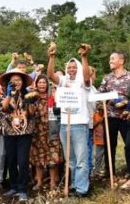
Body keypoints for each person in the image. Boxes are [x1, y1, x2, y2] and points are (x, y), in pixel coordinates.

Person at [46, 42, 95, 197]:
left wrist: (84, 57)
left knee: (81, 159)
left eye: (74, 67)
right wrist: (52, 58)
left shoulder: (83, 81)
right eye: (69, 67)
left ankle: (82, 189)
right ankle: (73, 184)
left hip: (80, 124)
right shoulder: (64, 81)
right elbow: (50, 76)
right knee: (71, 160)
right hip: (64, 125)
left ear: (79, 68)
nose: (71, 69)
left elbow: (87, 77)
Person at [0, 69, 37, 202]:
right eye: (13, 80)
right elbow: (4, 108)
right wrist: (9, 95)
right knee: (11, 160)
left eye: (19, 80)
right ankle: (14, 186)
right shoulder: (5, 94)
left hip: (24, 132)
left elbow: (32, 113)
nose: (16, 82)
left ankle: (23, 189)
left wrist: (31, 102)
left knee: (23, 161)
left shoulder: (28, 94)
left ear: (23, 82)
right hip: (9, 132)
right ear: (9, 83)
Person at [98, 50, 130, 178]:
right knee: (109, 145)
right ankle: (110, 173)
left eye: (112, 59)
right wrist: (110, 98)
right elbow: (99, 94)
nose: (110, 61)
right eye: (110, 59)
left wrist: (126, 101)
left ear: (121, 61)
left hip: (126, 116)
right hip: (110, 117)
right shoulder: (107, 78)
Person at [29, 74, 62, 191]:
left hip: (51, 131)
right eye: (40, 82)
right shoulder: (33, 97)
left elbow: (58, 112)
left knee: (52, 157)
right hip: (37, 132)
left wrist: (56, 99)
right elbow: (31, 113)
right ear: (36, 84)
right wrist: (31, 103)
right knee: (38, 158)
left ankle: (53, 182)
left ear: (47, 85)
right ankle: (39, 182)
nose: (42, 84)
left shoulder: (52, 97)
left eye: (44, 82)